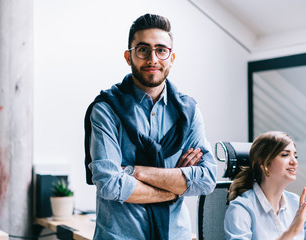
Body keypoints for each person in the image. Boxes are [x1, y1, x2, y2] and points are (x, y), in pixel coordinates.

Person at [84, 13, 216, 240]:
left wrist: (135, 171)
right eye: (143, 50)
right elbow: (109, 183)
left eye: (161, 50)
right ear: (129, 57)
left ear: (171, 58)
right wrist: (173, 188)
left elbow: (206, 179)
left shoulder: (189, 111)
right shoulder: (106, 109)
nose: (153, 59)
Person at [224, 131, 306, 239]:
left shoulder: (296, 203)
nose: (294, 162)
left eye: (295, 156)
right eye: (285, 155)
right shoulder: (242, 208)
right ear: (263, 163)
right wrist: (291, 232)